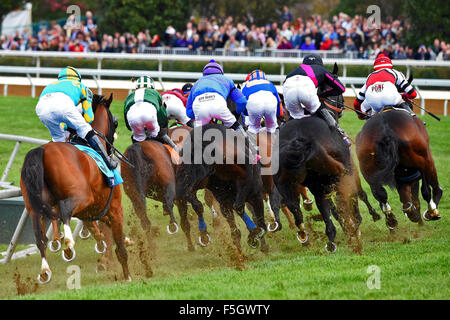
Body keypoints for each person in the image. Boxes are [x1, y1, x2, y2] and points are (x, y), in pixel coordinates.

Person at [36, 66, 117, 169]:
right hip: (63, 105)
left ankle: (60, 164)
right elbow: (89, 118)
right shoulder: (82, 87)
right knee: (85, 128)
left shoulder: (49, 86)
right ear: (78, 78)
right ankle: (108, 160)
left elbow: (60, 121)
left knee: (58, 138)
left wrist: (66, 125)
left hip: (41, 109)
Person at [186, 60, 258, 156]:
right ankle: (252, 151)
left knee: (198, 137)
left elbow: (189, 113)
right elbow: (242, 101)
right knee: (236, 126)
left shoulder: (197, 83)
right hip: (218, 103)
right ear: (221, 72)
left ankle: (190, 156)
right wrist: (236, 114)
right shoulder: (227, 80)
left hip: (199, 106)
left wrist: (205, 116)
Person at [282, 54, 350, 143]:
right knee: (319, 108)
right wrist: (323, 95)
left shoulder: (293, 71)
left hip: (288, 91)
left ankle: (282, 135)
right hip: (306, 92)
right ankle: (339, 133)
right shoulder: (321, 70)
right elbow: (341, 88)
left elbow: (286, 88)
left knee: (295, 118)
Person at [123, 76, 179, 152]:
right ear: (152, 86)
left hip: (133, 118)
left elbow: (126, 118)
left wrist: (132, 128)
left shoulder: (129, 96)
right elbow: (161, 113)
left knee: (137, 139)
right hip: (149, 116)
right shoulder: (155, 93)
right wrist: (162, 127)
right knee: (158, 133)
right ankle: (177, 151)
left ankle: (135, 156)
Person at [353, 54, 417, 119]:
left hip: (374, 102)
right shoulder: (395, 72)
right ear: (390, 65)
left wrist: (360, 115)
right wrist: (404, 96)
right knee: (400, 101)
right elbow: (413, 94)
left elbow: (356, 103)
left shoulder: (370, 76)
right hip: (391, 98)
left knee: (373, 115)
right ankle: (414, 118)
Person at [241, 69, 283, 134]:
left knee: (253, 128)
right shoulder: (270, 83)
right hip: (270, 103)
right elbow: (278, 101)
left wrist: (246, 113)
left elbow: (242, 103)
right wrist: (279, 115)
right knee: (272, 127)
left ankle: (251, 142)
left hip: (254, 104)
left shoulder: (246, 85)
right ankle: (277, 141)